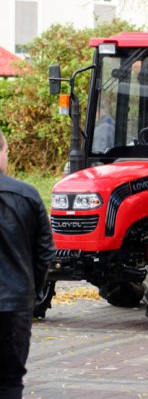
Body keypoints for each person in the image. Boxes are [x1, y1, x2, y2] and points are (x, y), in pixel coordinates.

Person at [0, 129, 55, 399]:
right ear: (2, 154)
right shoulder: (29, 195)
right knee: (11, 380)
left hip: (18, 297)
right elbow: (45, 252)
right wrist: (31, 289)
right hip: (15, 302)